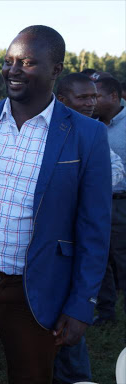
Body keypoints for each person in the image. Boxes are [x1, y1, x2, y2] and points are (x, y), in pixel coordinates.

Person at [0, 25, 111, 384]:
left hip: (39, 285)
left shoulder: (87, 135)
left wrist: (81, 304)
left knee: (31, 376)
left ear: (55, 69)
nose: (13, 70)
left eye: (26, 62)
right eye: (8, 61)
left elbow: (94, 228)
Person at [54, 73, 124, 384]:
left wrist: (82, 184)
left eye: (94, 97)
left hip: (77, 236)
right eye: (84, 97)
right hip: (47, 243)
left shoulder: (93, 132)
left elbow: (116, 171)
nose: (91, 103)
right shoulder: (49, 129)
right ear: (63, 99)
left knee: (70, 315)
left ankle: (76, 376)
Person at [93, 75, 126, 326]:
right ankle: (106, 313)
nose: (92, 101)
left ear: (114, 97)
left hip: (121, 203)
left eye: (96, 96)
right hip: (97, 203)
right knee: (99, 257)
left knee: (121, 256)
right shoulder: (92, 124)